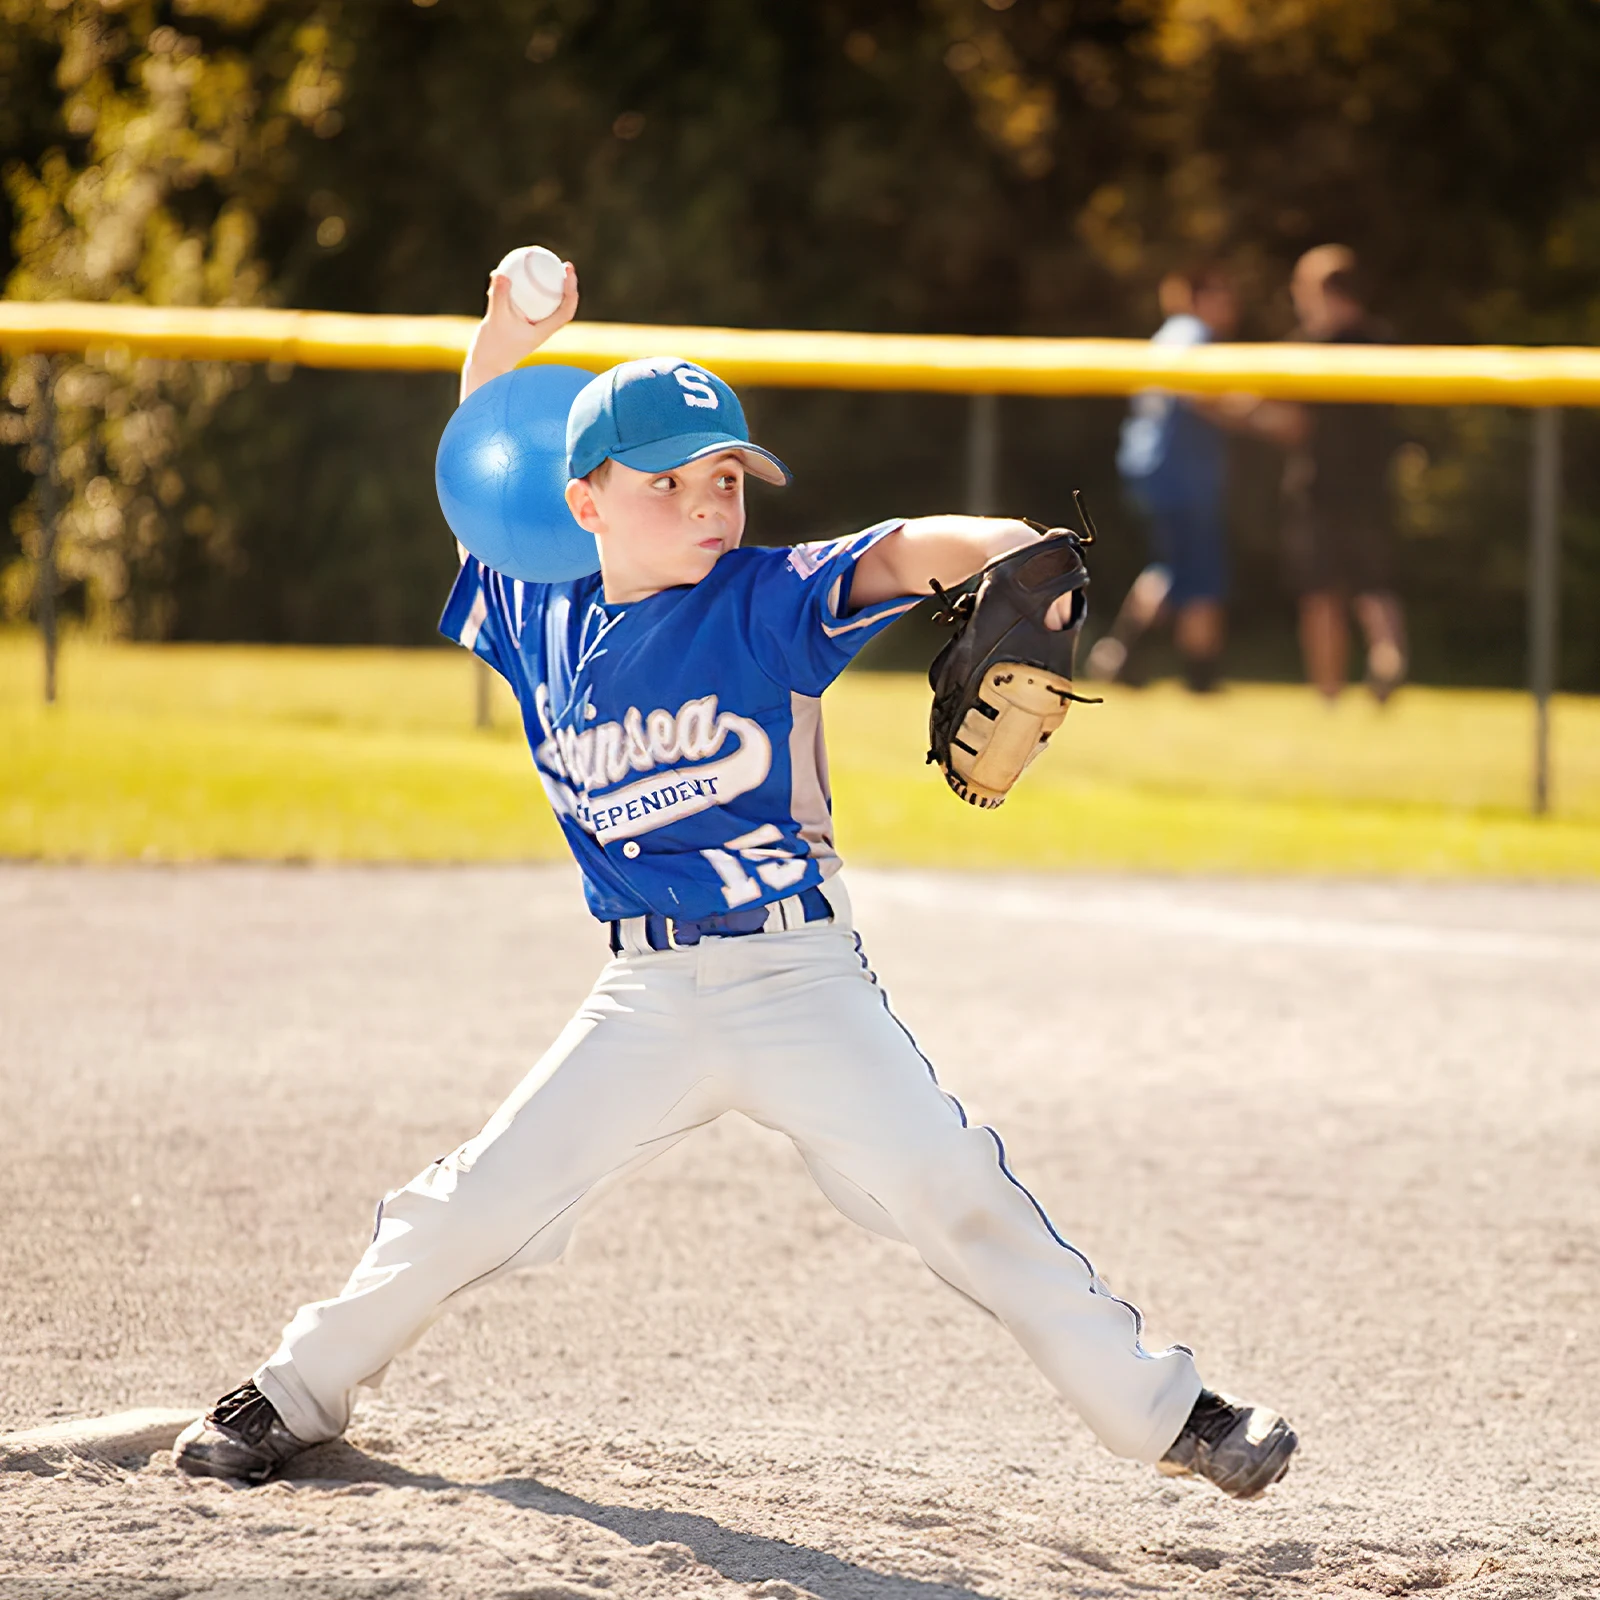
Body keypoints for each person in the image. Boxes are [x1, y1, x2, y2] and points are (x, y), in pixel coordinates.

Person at [172, 255, 1298, 1501]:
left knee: (950, 1183)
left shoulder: (769, 598)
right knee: (471, 1202)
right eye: (673, 481)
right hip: (642, 998)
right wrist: (503, 335)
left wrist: (1020, 552)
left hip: (796, 979)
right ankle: (291, 1391)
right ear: (583, 501)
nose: (713, 503)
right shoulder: (534, 609)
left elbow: (905, 550)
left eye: (726, 477)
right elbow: (479, 464)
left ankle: (1170, 1411)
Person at [1089, 263, 1239, 693]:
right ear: (1198, 298)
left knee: (1172, 568)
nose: (1231, 305)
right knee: (1201, 573)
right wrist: (1255, 414)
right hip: (1184, 473)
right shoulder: (1195, 335)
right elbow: (1200, 395)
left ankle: (1120, 654)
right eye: (1221, 294)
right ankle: (1200, 673)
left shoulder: (1166, 336)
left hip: (1152, 469)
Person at [1272, 245, 1407, 703]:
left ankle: (1328, 691)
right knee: (1375, 586)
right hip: (1374, 483)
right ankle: (1387, 656)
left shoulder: (1311, 348)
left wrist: (1234, 412)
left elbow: (1291, 423)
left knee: (1321, 592)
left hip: (1319, 487)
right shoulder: (1384, 341)